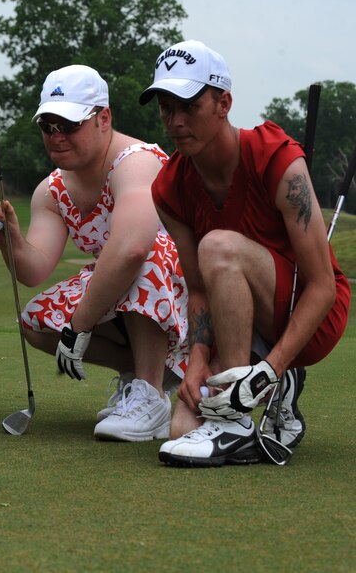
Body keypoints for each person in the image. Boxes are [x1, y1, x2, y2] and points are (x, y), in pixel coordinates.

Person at [140, 40, 350, 466]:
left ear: (224, 102)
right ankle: (273, 393)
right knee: (182, 427)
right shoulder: (169, 186)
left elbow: (323, 287)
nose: (176, 122)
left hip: (308, 314)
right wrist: (198, 358)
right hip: (234, 315)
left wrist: (268, 367)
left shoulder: (278, 159)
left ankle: (239, 419)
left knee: (217, 245)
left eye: (188, 106)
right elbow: (197, 288)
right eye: (166, 107)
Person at [0, 65, 188, 442]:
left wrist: (79, 326)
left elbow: (133, 248)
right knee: (36, 321)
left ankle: (151, 397)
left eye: (69, 125)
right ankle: (143, 376)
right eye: (48, 126)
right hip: (138, 298)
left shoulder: (137, 162)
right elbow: (35, 269)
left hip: (193, 300)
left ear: (103, 118)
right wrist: (10, 241)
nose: (56, 137)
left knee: (145, 252)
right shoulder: (52, 190)